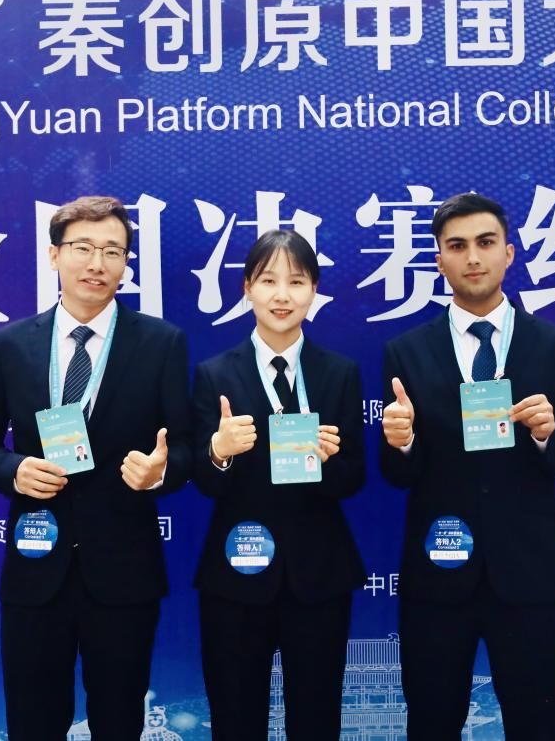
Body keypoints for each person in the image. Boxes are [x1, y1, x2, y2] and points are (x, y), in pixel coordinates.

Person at [0, 195, 192, 740]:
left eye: (113, 251)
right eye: (83, 248)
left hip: (123, 570)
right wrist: (13, 470)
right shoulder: (11, 344)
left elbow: (184, 447)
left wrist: (159, 473)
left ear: (126, 263)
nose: (97, 263)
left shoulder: (161, 343)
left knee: (119, 721)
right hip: (37, 564)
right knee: (33, 721)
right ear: (54, 255)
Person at [379, 193, 555, 741]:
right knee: (431, 725)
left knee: (538, 727)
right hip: (438, 573)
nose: (472, 257)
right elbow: (399, 475)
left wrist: (547, 435)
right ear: (439, 261)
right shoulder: (406, 352)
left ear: (508, 254)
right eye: (457, 246)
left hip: (529, 575)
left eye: (485, 243)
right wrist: (401, 443)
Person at [191, 230, 365, 740]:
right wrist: (218, 452)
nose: (282, 295)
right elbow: (202, 482)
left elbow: (354, 479)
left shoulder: (339, 373)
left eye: (297, 281)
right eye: (268, 281)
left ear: (314, 290)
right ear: (247, 288)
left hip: (320, 573)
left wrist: (329, 461)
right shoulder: (214, 375)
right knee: (235, 718)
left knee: (316, 718)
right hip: (237, 568)